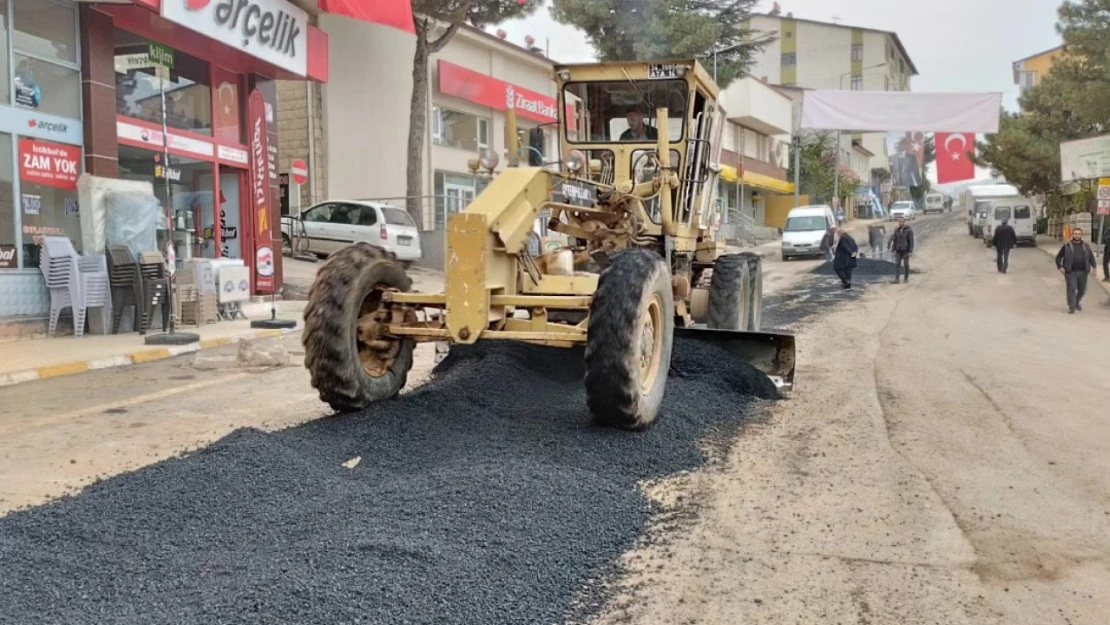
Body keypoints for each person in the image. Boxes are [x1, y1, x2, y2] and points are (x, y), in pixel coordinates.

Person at [1055, 227, 1098, 314]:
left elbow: (1091, 258)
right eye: (1075, 234)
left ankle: (1076, 302)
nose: (1077, 235)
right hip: (1071, 272)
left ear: (1081, 235)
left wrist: (1094, 268)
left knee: (1082, 290)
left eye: (1079, 234)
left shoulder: (1086, 246)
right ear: (1072, 235)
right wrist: (1060, 267)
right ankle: (1072, 307)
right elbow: (1058, 257)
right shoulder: (1067, 246)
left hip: (1083, 272)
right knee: (1072, 289)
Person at [888, 216, 915, 283]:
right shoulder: (896, 230)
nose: (900, 223)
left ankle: (906, 279)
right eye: (899, 222)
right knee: (897, 264)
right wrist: (893, 250)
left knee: (906, 265)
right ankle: (897, 279)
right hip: (898, 250)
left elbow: (911, 241)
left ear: (904, 222)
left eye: (901, 222)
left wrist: (910, 251)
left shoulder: (909, 230)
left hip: (905, 250)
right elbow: (895, 240)